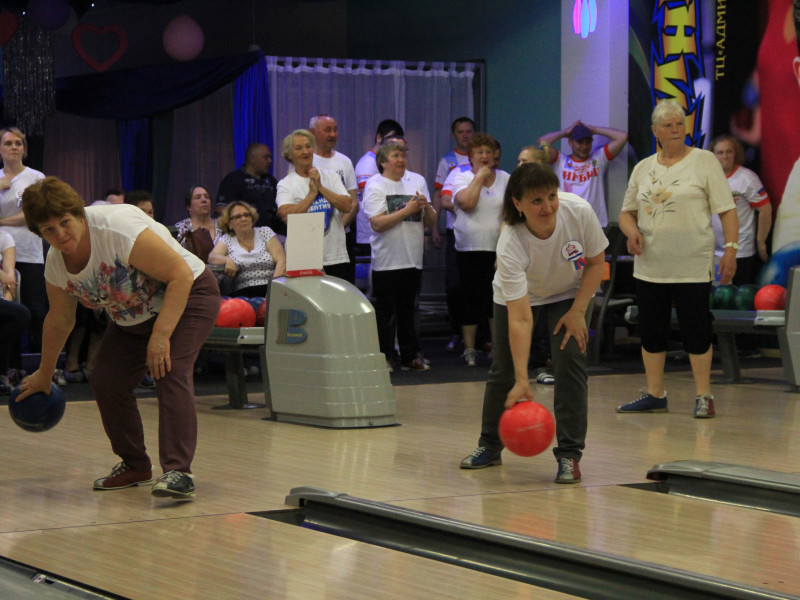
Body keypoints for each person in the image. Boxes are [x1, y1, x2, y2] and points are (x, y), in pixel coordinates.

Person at [16, 176, 220, 499]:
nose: (60, 235)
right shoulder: (56, 264)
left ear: (79, 214)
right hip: (133, 316)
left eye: (65, 223)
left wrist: (161, 335)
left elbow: (180, 274)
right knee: (106, 381)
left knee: (168, 369)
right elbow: (59, 320)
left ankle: (179, 471)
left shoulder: (116, 229)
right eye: (49, 230)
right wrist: (44, 373)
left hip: (189, 294)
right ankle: (135, 465)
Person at [459, 162, 606, 483]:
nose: (547, 207)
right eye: (536, 201)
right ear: (518, 203)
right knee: (504, 370)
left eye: (551, 196)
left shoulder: (579, 212)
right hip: (519, 296)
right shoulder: (511, 241)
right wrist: (523, 379)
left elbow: (596, 264)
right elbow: (521, 318)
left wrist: (578, 311)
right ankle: (490, 445)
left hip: (569, 292)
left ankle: (569, 455)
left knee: (570, 362)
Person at [616, 100, 738, 418]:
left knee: (696, 330)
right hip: (650, 266)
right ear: (655, 131)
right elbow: (626, 213)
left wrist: (731, 249)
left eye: (679, 124)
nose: (675, 129)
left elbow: (727, 210)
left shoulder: (704, 161)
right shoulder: (643, 168)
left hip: (692, 265)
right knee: (651, 330)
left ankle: (703, 395)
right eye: (668, 125)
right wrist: (632, 232)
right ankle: (655, 393)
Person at [363, 140, 437, 372]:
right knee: (385, 312)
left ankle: (410, 356)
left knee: (408, 311)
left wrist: (426, 207)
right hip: (387, 260)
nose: (401, 160)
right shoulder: (375, 184)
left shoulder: (417, 181)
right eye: (395, 156)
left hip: (412, 257)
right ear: (383, 162)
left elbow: (431, 221)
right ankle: (385, 357)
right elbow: (377, 223)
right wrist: (407, 210)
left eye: (403, 155)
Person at [451, 133, 510, 366]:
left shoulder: (505, 178)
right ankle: (469, 350)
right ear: (470, 157)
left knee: (495, 300)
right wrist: (480, 178)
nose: (485, 156)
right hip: (469, 249)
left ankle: (497, 349)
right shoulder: (460, 176)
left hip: (498, 249)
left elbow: (510, 212)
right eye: (479, 152)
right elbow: (467, 203)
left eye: (488, 152)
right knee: (470, 299)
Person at [276, 129, 353, 280]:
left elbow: (347, 205)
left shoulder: (331, 176)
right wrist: (312, 195)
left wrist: (321, 188)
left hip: (335, 257)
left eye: (308, 146)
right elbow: (287, 216)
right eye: (299, 148)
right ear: (289, 155)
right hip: (303, 259)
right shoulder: (285, 184)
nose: (305, 151)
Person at [0, 127, 46, 355]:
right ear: (0, 149)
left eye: (18, 143)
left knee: (36, 310)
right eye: (8, 143)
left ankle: (40, 363)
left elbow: (33, 214)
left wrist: (0, 221)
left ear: (25, 150)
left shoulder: (36, 178)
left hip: (29, 252)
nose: (14, 147)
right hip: (2, 255)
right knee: (9, 312)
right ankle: (11, 365)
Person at [432, 117, 476, 353]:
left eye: (469, 131)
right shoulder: (448, 161)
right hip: (454, 230)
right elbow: (439, 195)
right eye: (461, 132)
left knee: (476, 284)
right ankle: (456, 331)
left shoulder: (482, 159)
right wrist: (433, 227)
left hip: (479, 231)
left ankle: (480, 336)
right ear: (454, 135)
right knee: (454, 284)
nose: (465, 135)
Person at [538, 120, 628, 227]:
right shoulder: (560, 161)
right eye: (580, 142)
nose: (584, 146)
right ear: (570, 142)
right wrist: (565, 132)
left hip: (595, 223)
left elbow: (622, 136)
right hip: (567, 223)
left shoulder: (599, 159)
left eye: (588, 142)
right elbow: (542, 142)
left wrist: (594, 130)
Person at [710, 134, 772, 285]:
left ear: (735, 153)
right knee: (714, 295)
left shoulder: (747, 178)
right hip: (711, 251)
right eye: (720, 152)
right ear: (712, 155)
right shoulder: (707, 177)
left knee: (736, 295)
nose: (724, 156)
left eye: (729, 151)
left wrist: (760, 241)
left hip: (740, 250)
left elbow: (765, 210)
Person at [309, 114, 359, 283]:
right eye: (327, 130)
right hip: (313, 239)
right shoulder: (305, 162)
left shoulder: (345, 162)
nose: (332, 135)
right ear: (313, 132)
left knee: (344, 286)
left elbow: (353, 203)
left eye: (335, 130)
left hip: (342, 237)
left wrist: (336, 229)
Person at [208, 201, 286, 298]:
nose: (243, 218)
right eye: (238, 217)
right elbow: (212, 257)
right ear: (229, 224)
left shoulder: (265, 232)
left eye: (246, 215)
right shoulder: (227, 239)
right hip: (243, 293)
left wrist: (273, 290)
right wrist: (227, 260)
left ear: (252, 219)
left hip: (271, 288)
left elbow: (281, 261)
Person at [354, 119, 404, 256]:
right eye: (390, 138)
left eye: (397, 139)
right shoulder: (368, 164)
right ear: (378, 138)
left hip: (388, 228)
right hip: (370, 234)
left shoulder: (391, 162)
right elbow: (369, 199)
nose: (393, 143)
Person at [216, 143, 284, 236]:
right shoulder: (233, 180)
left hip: (272, 232)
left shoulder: (271, 180)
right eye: (266, 157)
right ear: (252, 159)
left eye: (270, 157)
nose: (270, 161)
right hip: (245, 233)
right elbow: (221, 209)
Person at [0, 229, 31, 394]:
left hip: (1, 300)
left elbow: (10, 277)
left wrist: (7, 300)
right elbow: (4, 276)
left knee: (20, 315)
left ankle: (1, 376)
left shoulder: (4, 238)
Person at [174, 185, 222, 264]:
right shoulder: (181, 228)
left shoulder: (223, 226)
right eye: (198, 197)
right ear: (188, 206)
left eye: (207, 197)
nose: (204, 200)